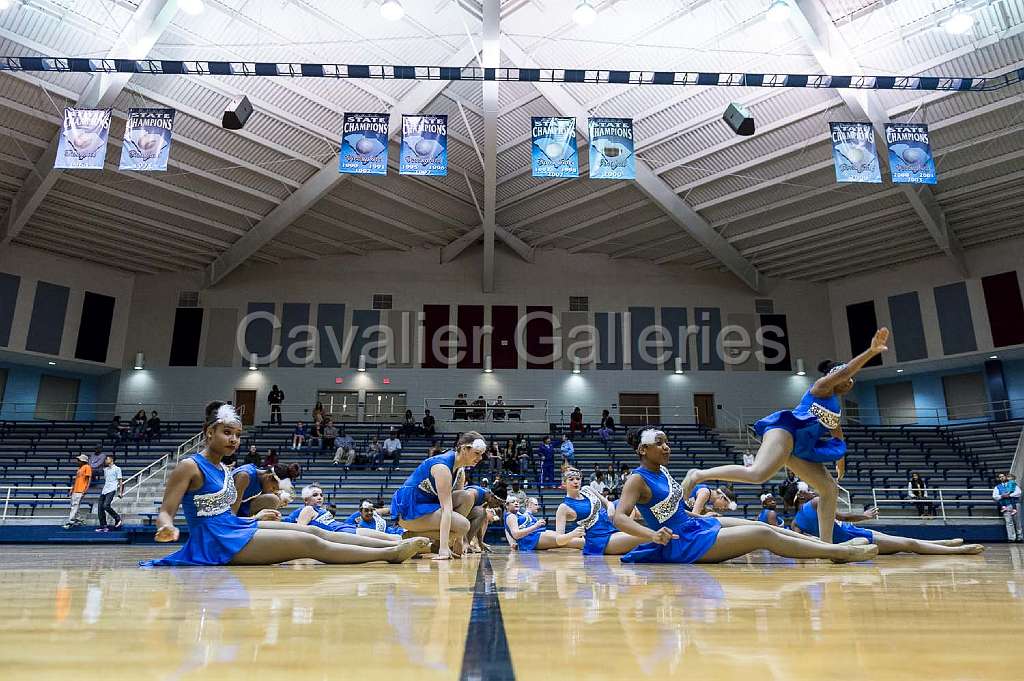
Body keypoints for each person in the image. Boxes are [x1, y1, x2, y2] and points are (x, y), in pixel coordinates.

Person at [143, 401, 428, 567]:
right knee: (309, 542)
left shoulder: (225, 467)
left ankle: (395, 541)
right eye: (227, 433)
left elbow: (226, 512)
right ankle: (390, 554)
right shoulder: (189, 466)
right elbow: (166, 511)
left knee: (315, 529)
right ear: (209, 432)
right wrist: (166, 526)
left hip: (233, 527)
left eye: (238, 435)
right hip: (214, 543)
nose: (233, 440)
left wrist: (255, 516)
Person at [682, 328, 890, 544]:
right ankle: (698, 474)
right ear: (833, 376)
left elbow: (837, 433)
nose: (850, 382)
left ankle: (826, 545)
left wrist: (841, 461)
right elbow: (846, 371)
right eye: (847, 378)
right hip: (785, 431)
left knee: (829, 488)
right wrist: (871, 351)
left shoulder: (835, 405)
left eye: (852, 380)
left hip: (801, 447)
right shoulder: (821, 387)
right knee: (757, 474)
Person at [612, 428, 879, 564]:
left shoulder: (662, 472)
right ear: (643, 449)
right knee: (761, 536)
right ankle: (837, 552)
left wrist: (695, 513)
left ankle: (827, 546)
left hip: (693, 525)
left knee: (761, 525)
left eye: (666, 441)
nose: (666, 447)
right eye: (659, 443)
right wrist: (651, 535)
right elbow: (620, 519)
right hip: (681, 542)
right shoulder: (637, 479)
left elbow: (671, 509)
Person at [793, 489, 983, 555]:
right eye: (808, 489)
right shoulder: (817, 501)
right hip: (849, 537)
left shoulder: (795, 521)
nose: (812, 490)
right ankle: (956, 550)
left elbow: (799, 538)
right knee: (907, 544)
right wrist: (865, 515)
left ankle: (939, 543)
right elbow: (842, 516)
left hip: (847, 532)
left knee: (897, 539)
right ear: (801, 495)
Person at [389, 431, 486, 560]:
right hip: (409, 510)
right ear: (464, 449)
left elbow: (456, 505)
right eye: (477, 453)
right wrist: (444, 549)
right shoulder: (442, 467)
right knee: (464, 526)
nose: (480, 458)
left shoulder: (459, 470)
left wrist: (458, 541)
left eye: (481, 455)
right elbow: (447, 509)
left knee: (467, 497)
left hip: (428, 506)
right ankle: (419, 537)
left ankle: (431, 540)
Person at [554, 467, 645, 555]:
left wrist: (610, 507)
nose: (575, 481)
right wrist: (572, 534)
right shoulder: (564, 507)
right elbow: (558, 540)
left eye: (578, 478)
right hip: (600, 538)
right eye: (571, 479)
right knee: (647, 536)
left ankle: (655, 520)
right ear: (564, 483)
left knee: (632, 503)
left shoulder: (587, 489)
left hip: (611, 524)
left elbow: (607, 502)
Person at [286, 486, 401, 543]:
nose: (320, 497)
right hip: (339, 533)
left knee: (388, 538)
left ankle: (414, 545)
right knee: (386, 540)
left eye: (321, 494)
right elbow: (300, 532)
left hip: (344, 529)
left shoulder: (320, 510)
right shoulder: (308, 509)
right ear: (306, 500)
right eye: (315, 495)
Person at [505, 497, 583, 552]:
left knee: (565, 541)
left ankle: (583, 539)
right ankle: (586, 541)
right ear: (507, 505)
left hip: (535, 535)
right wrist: (535, 526)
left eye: (517, 502)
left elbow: (507, 529)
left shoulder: (517, 515)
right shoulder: (511, 516)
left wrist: (511, 543)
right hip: (531, 539)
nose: (516, 503)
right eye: (513, 502)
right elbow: (515, 534)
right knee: (567, 542)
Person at [231, 461, 301, 518]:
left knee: (274, 502)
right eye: (273, 488)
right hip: (226, 511)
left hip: (240, 509)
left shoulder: (262, 481)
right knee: (273, 499)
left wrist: (279, 503)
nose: (272, 491)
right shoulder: (245, 476)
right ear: (269, 477)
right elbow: (232, 510)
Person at [95, 454, 124, 532]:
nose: (105, 460)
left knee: (106, 505)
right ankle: (103, 526)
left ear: (111, 459)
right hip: (105, 490)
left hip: (112, 489)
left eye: (106, 459)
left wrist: (120, 492)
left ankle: (117, 518)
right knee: (100, 508)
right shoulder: (106, 469)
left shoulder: (117, 469)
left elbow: (120, 481)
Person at [63, 454, 92, 529]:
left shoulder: (87, 467)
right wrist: (72, 489)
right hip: (76, 490)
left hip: (80, 490)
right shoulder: (80, 468)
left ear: (83, 461)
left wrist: (86, 489)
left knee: (74, 506)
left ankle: (70, 521)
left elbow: (89, 479)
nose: (78, 461)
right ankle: (79, 520)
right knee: (75, 506)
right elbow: (76, 480)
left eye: (79, 460)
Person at [993, 472, 1022, 542]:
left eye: (1003, 476)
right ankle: (1012, 538)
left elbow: (1019, 493)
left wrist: (1009, 495)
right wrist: (1002, 496)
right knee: (1008, 522)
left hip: (1015, 504)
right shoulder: (997, 487)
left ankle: (1020, 537)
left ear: (1006, 477)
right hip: (1005, 505)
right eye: (1000, 477)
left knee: (1017, 521)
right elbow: (995, 496)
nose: (1002, 478)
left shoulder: (1013, 484)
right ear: (999, 479)